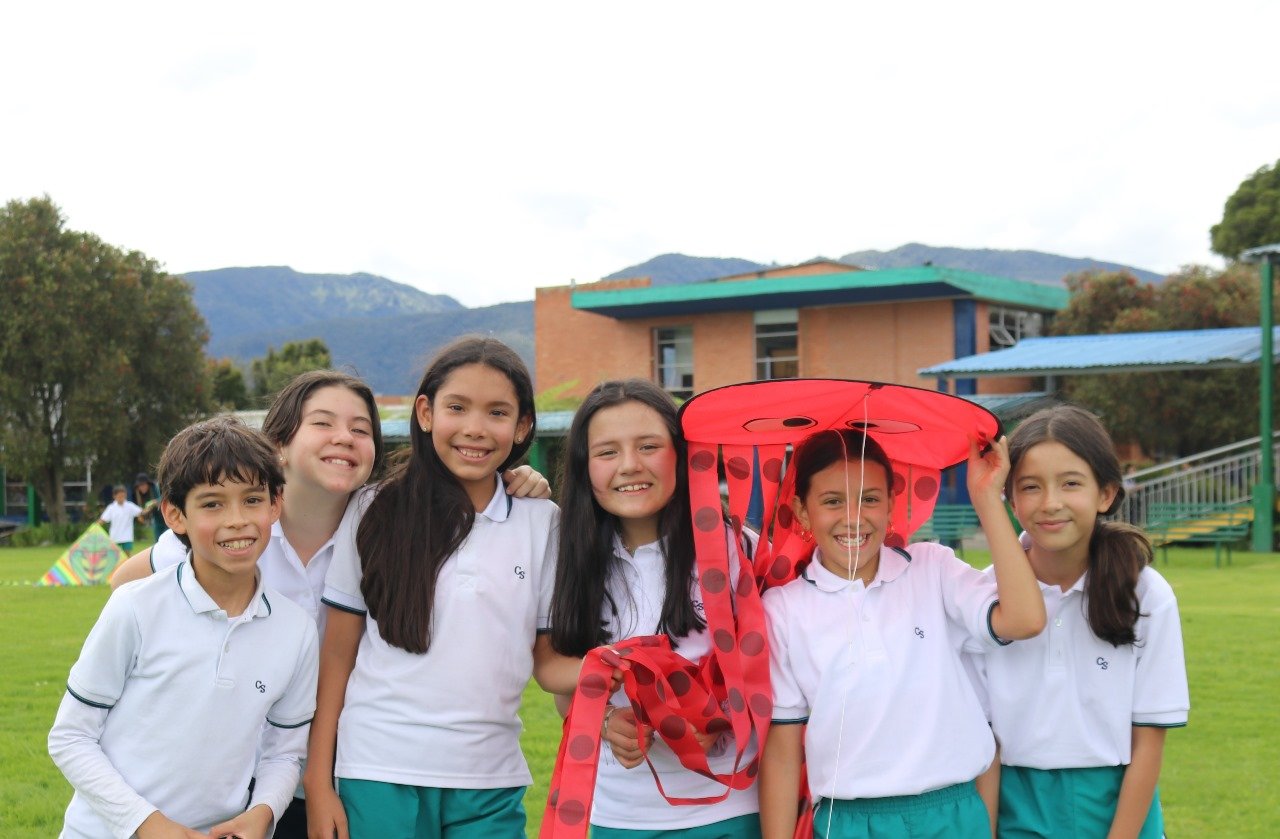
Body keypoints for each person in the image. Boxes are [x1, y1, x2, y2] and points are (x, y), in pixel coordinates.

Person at [108, 369, 549, 838]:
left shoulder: (383, 528)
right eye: (323, 423)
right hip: (222, 780)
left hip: (326, 777)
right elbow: (126, 586)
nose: (344, 438)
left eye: (361, 429)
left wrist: (516, 478)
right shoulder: (238, 532)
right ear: (278, 443)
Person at [304, 337, 580, 838]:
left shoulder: (543, 522)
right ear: (426, 412)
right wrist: (318, 783)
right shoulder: (372, 510)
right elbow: (337, 657)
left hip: (491, 781)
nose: (475, 428)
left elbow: (548, 658)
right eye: (458, 407)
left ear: (522, 427)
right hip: (377, 772)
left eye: (497, 413)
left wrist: (625, 671)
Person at [759, 429, 1046, 839]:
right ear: (802, 512)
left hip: (954, 813)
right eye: (832, 501)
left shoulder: (932, 568)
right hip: (850, 823)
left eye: (870, 499)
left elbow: (1025, 619)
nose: (853, 517)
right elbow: (783, 755)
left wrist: (986, 499)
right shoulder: (783, 609)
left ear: (892, 504)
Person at [48, 416, 318, 839]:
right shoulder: (135, 607)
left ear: (275, 505)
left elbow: (284, 753)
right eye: (212, 504)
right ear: (175, 515)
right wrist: (148, 825)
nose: (237, 520)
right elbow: (70, 737)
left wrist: (263, 812)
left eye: (252, 500)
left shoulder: (296, 629)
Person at [549, 378, 761, 838]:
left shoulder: (737, 548)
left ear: (683, 456)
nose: (629, 466)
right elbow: (562, 680)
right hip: (619, 815)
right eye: (607, 452)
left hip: (727, 809)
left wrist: (720, 717)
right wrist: (604, 721)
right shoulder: (566, 558)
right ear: (585, 468)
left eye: (648, 446)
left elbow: (774, 669)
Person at [984, 405, 1188, 838]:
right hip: (1016, 806)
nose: (1050, 503)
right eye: (1030, 486)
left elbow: (1148, 742)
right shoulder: (982, 597)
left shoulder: (1147, 595)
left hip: (1120, 811)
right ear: (1010, 498)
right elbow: (986, 744)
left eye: (1071, 483)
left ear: (1106, 493)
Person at [97, 485, 145, 552]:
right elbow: (103, 519)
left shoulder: (130, 506)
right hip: (115, 537)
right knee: (115, 557)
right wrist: (94, 527)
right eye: (119, 496)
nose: (122, 498)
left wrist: (142, 516)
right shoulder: (111, 508)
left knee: (127, 557)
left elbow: (141, 512)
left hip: (127, 537)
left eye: (123, 496)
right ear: (114, 496)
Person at [129, 472, 166, 539]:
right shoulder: (138, 494)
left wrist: (156, 501)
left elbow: (165, 498)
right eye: (140, 485)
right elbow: (142, 508)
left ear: (147, 484)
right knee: (158, 539)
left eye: (143, 485)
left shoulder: (156, 488)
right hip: (156, 518)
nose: (141, 487)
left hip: (166, 515)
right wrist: (142, 513)